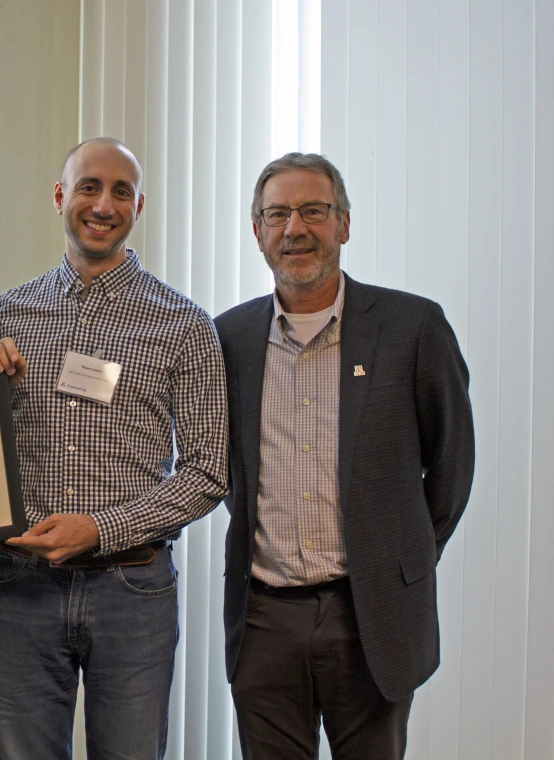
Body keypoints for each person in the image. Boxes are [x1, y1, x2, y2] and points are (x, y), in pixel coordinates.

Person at [0, 137, 228, 760]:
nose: (102, 204)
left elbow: (207, 473)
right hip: (21, 585)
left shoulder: (184, 324)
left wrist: (99, 529)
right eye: (89, 186)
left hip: (132, 589)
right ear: (61, 196)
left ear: (139, 206)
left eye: (120, 191)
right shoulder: (10, 314)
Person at [215, 153, 475, 759]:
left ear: (345, 224)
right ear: (257, 231)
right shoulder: (228, 339)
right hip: (264, 621)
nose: (295, 228)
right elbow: (221, 464)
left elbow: (452, 466)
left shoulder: (413, 328)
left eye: (314, 211)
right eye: (276, 214)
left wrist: (399, 558)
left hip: (371, 616)